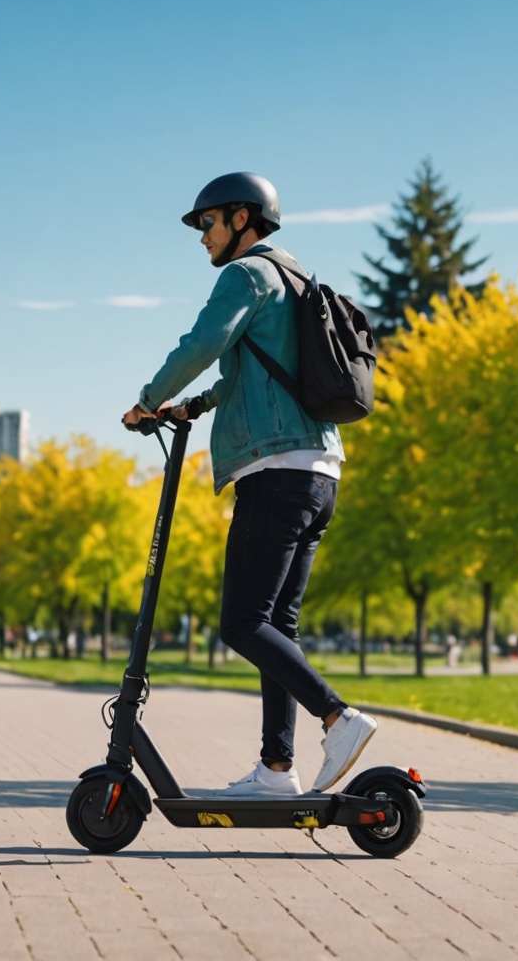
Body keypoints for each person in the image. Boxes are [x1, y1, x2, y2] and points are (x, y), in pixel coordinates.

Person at [123, 172, 379, 798]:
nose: (202, 236)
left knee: (241, 623)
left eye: (207, 222)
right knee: (276, 628)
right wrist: (196, 406)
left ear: (243, 218)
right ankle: (275, 769)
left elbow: (206, 341)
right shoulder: (296, 281)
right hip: (319, 473)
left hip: (275, 471)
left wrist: (148, 399)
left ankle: (337, 717)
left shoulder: (244, 276)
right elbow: (259, 371)